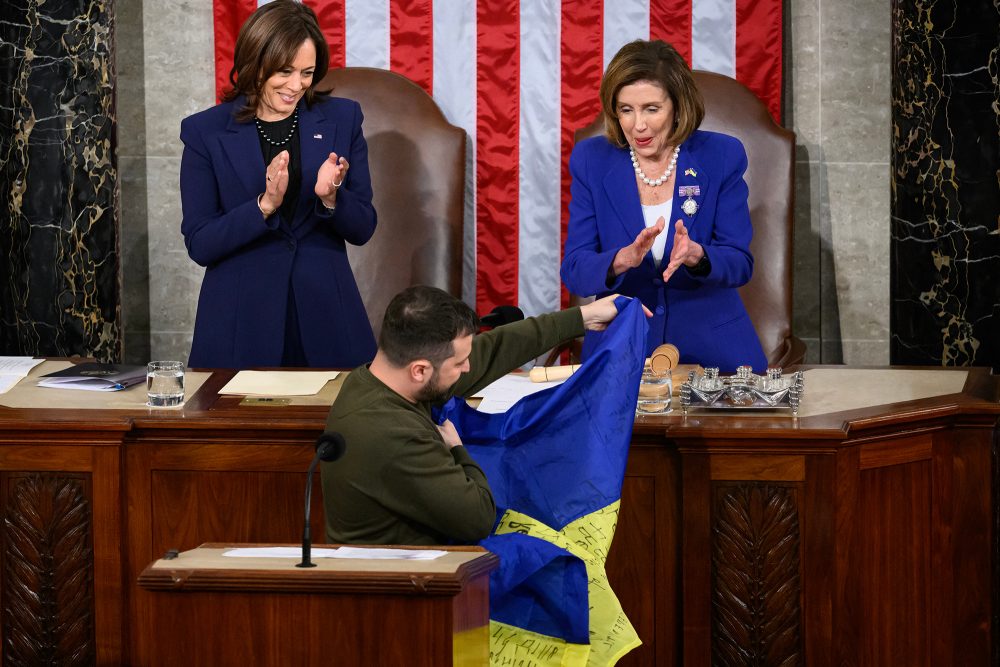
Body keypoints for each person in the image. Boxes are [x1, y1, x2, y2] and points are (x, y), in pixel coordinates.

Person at [320, 286, 628, 546]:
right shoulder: (393, 433)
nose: (467, 368)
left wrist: (583, 318)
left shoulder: (376, 378)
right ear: (420, 370)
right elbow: (479, 516)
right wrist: (458, 450)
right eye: (459, 364)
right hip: (401, 594)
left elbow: (491, 351)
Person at [180, 0, 376, 369]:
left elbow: (364, 226)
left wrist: (331, 198)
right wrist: (263, 206)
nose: (296, 85)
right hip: (240, 325)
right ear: (255, 64)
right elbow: (200, 243)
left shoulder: (343, 118)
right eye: (284, 71)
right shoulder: (204, 132)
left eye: (307, 72)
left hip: (327, 319)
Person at [560, 39, 767, 373]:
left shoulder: (721, 156)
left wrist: (699, 256)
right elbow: (576, 272)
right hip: (622, 348)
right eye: (626, 109)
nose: (637, 125)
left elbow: (740, 263)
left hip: (713, 350)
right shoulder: (592, 160)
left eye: (651, 109)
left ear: (678, 106)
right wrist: (619, 260)